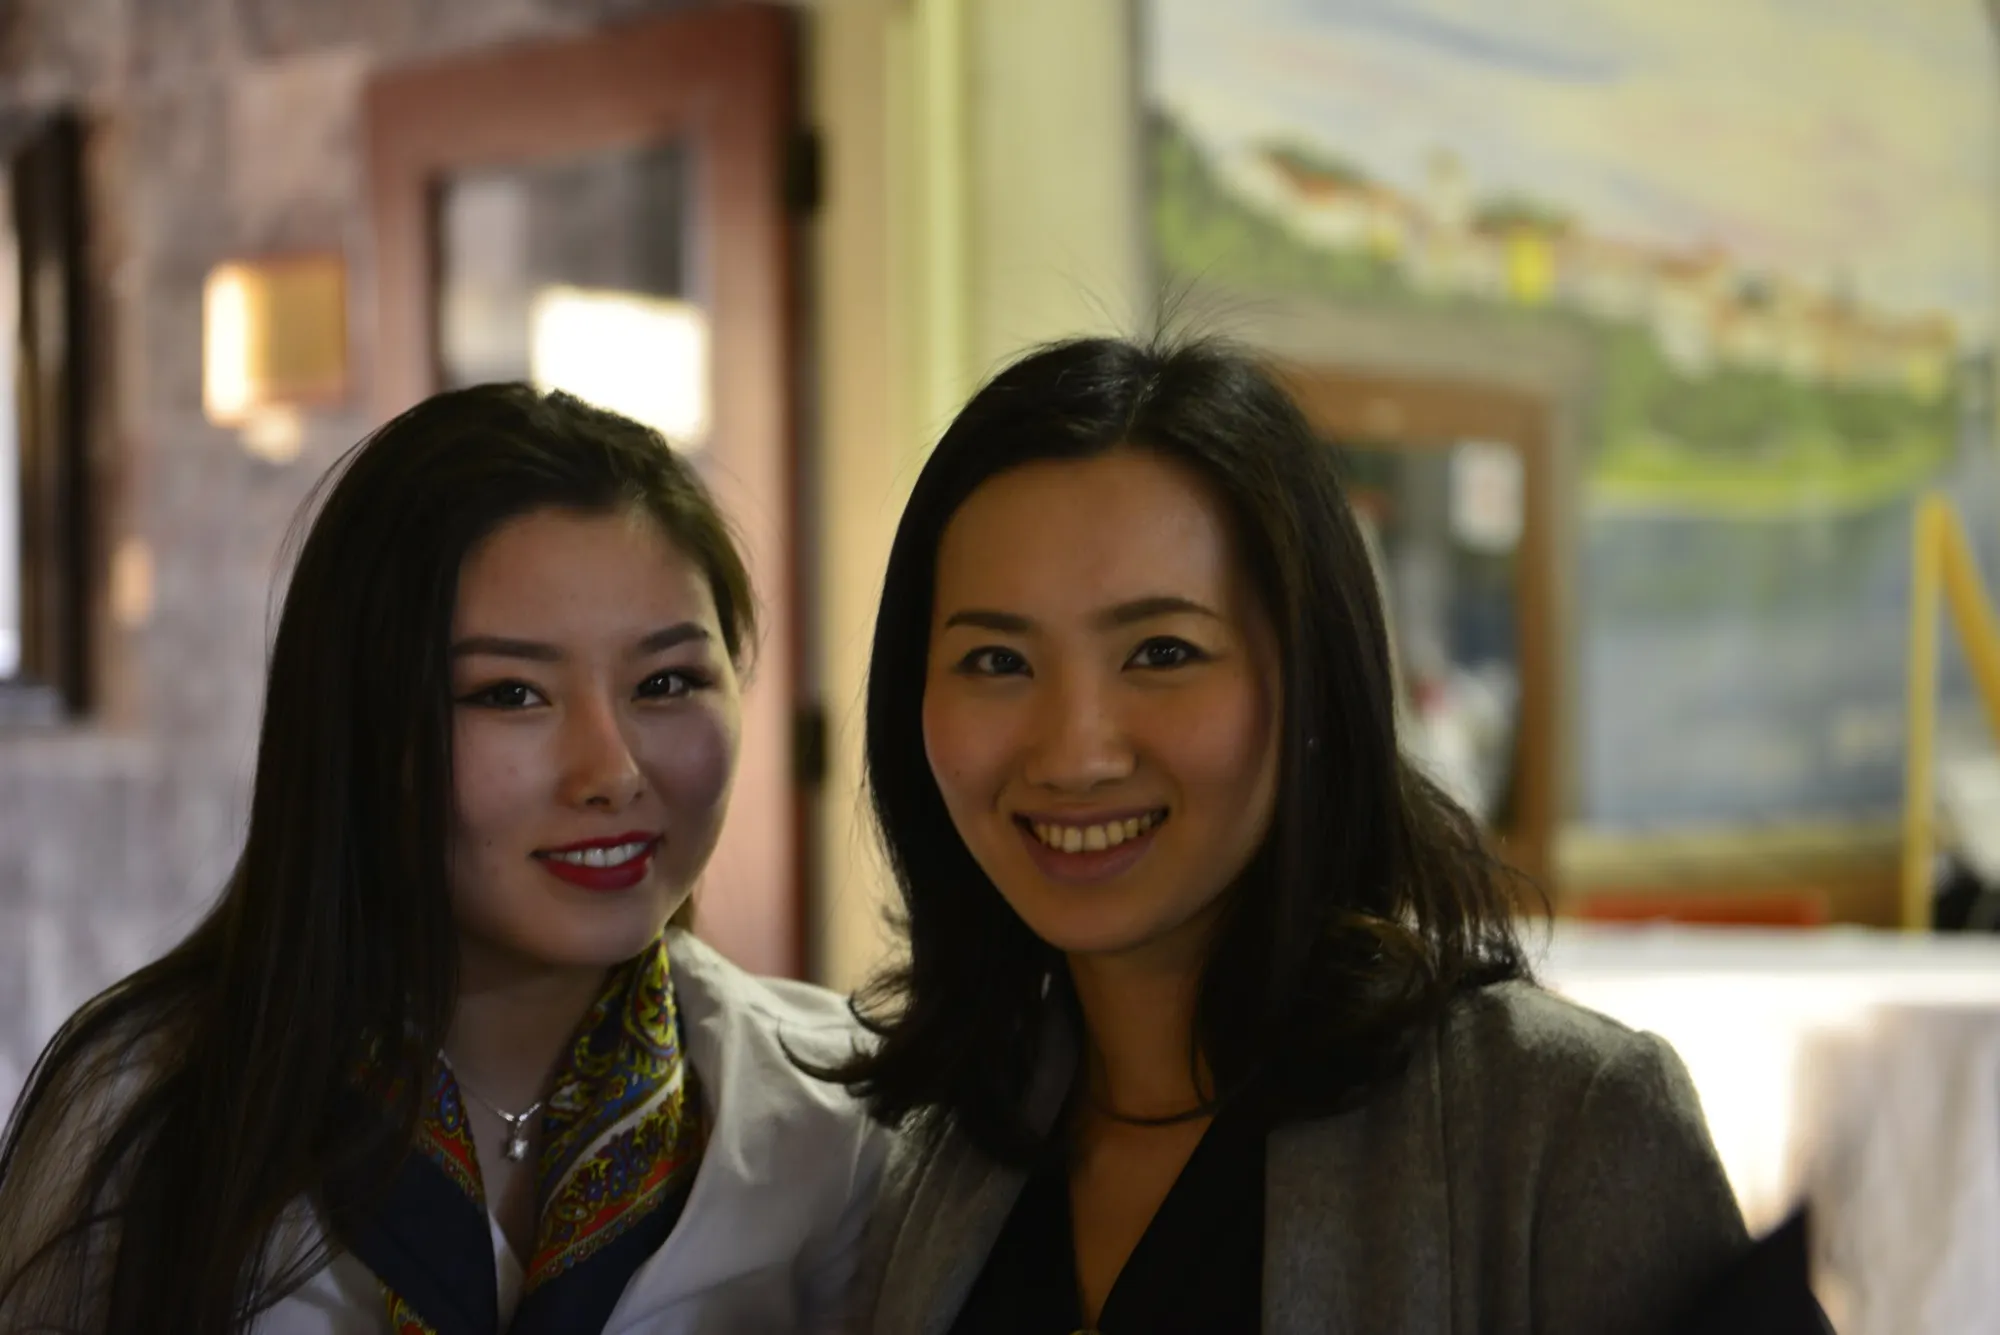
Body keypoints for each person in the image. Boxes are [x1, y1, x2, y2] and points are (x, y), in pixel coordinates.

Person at [832, 336, 1751, 1334]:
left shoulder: (1562, 1128)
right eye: (997, 661)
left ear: (1313, 680)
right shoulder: (926, 1152)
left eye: (1161, 652)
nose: (1074, 754)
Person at [0, 386, 886, 1334]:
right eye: (510, 693)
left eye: (666, 681)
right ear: (359, 721)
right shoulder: (151, 1106)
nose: (612, 772)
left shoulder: (836, 1115)